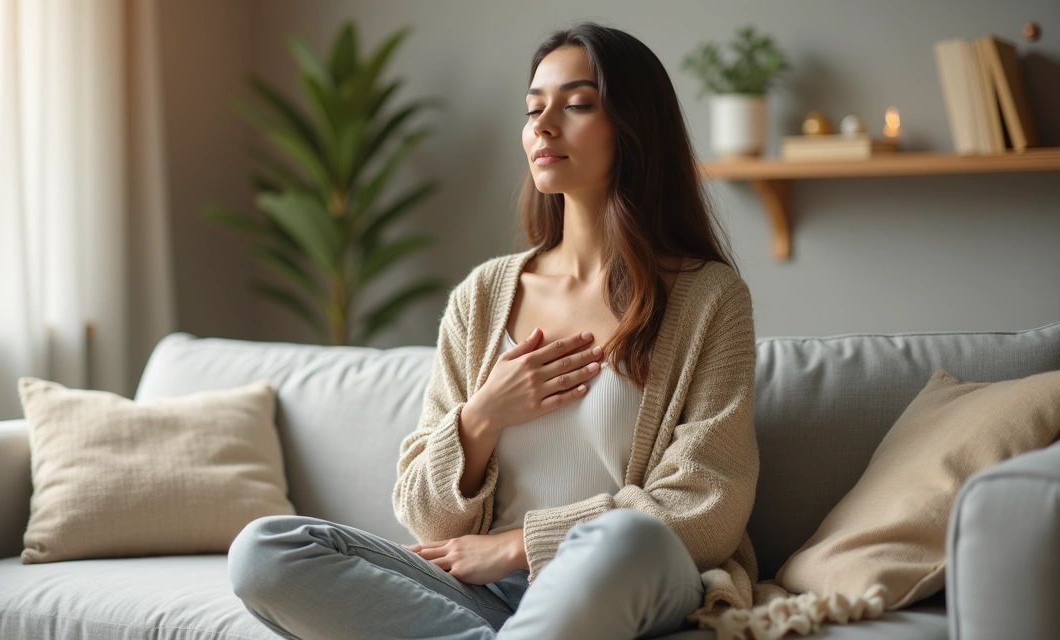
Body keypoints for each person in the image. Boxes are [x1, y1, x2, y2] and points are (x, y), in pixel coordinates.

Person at [228, 21, 760, 639]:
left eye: (577, 105)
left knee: (625, 537)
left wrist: (518, 546)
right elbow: (426, 519)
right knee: (265, 551)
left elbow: (708, 507)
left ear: (635, 127)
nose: (544, 125)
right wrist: (482, 416)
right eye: (534, 109)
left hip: (630, 574)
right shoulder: (482, 296)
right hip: (486, 596)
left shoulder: (709, 299)